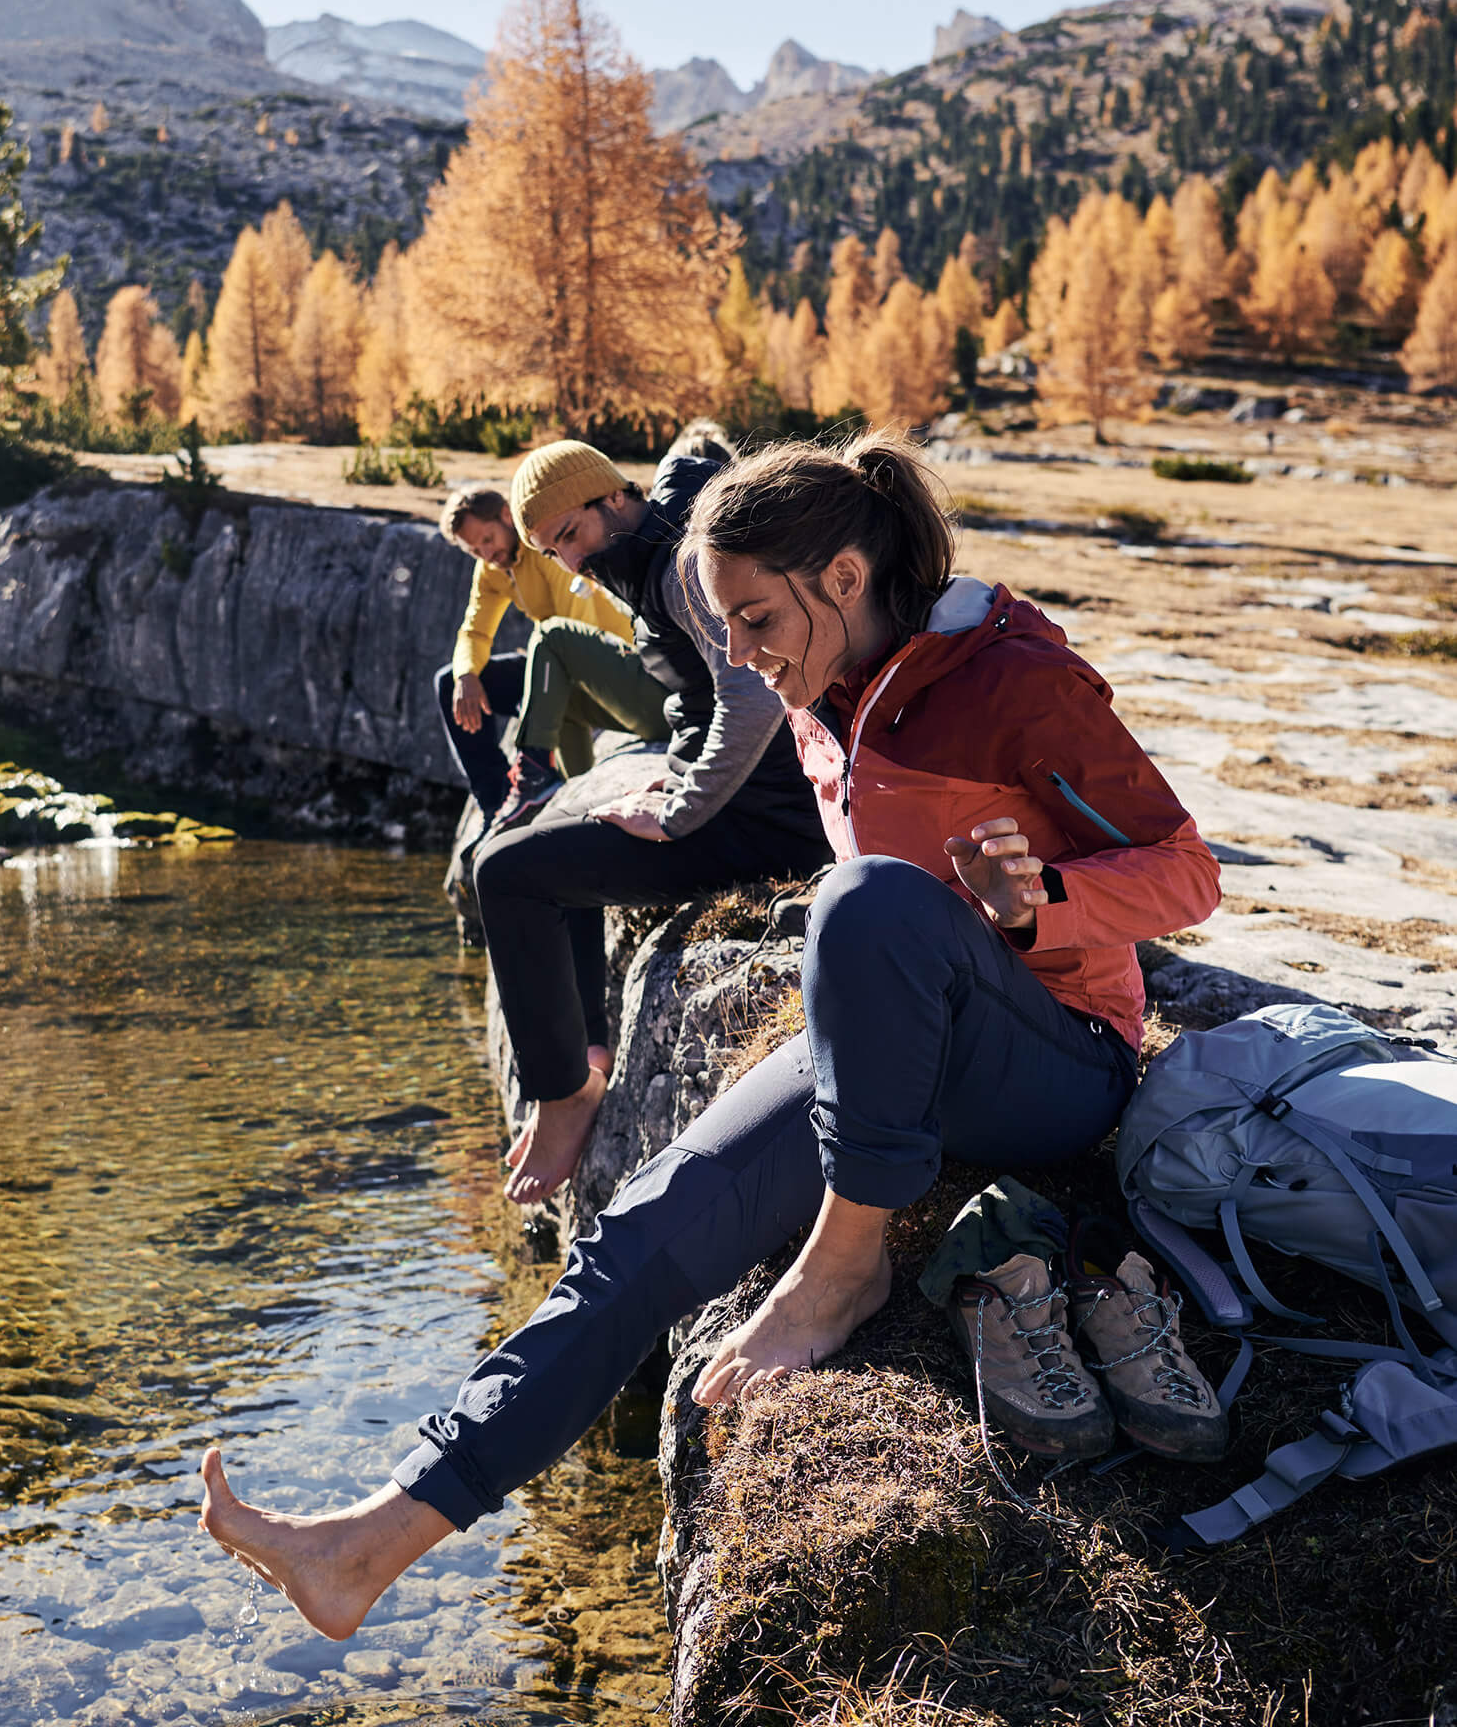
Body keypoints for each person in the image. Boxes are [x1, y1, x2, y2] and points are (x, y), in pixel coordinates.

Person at [199, 432, 1222, 1641]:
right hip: (899, 1043)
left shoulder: (1013, 680)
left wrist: (1040, 896)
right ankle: (370, 1540)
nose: (736, 654)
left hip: (1057, 1056)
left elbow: (1187, 871)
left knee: (870, 898)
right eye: (722, 625)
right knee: (644, 1222)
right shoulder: (819, 692)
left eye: (751, 619)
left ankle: (843, 1268)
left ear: (845, 578)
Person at [476, 437, 831, 1205]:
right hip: (751, 805)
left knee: (506, 874)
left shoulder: (679, 567)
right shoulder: (661, 550)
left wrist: (676, 811)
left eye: (570, 535)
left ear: (612, 499)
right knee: (554, 838)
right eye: (550, 549)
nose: (569, 563)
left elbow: (752, 698)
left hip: (760, 824)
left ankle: (566, 1093)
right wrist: (668, 780)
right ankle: (587, 1055)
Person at [434, 482, 652, 838]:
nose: (485, 554)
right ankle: (497, 804)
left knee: (550, 639)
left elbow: (571, 632)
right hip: (553, 659)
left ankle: (538, 776)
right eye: (474, 550)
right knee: (450, 683)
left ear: (507, 515)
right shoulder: (492, 569)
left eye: (487, 540)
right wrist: (466, 676)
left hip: (609, 664)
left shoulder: (548, 550)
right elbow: (475, 632)